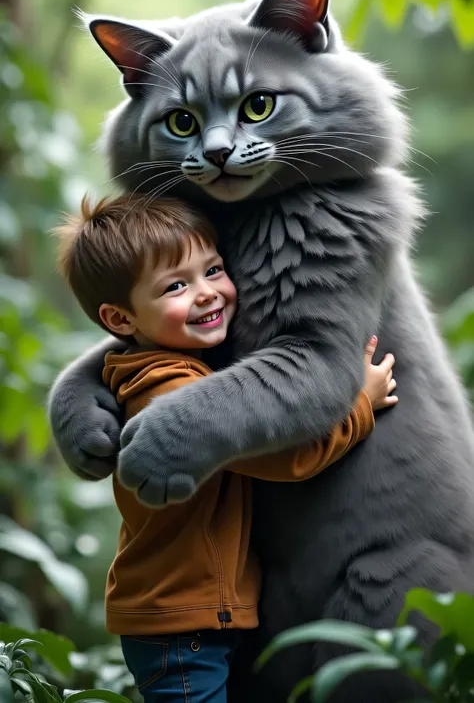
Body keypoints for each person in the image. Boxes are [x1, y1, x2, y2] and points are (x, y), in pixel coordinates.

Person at [54, 192, 397, 703]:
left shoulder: (175, 363)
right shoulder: (167, 392)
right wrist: (359, 407)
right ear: (121, 320)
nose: (207, 293)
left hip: (194, 615)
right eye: (176, 285)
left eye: (213, 270)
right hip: (180, 623)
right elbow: (287, 459)